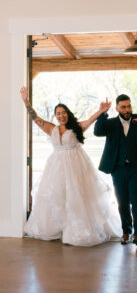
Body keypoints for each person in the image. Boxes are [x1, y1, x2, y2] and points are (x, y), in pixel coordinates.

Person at [20, 86, 121, 246]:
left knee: (77, 196)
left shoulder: (77, 127)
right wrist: (27, 102)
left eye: (63, 112)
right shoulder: (51, 128)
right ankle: (58, 228)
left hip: (76, 166)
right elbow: (35, 118)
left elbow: (90, 120)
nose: (61, 115)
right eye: (58, 113)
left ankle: (76, 229)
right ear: (56, 116)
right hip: (56, 167)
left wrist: (101, 111)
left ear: (68, 114)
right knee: (58, 196)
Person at [94, 94, 137, 246]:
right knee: (122, 201)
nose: (127, 109)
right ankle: (126, 232)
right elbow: (97, 132)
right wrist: (102, 113)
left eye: (129, 106)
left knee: (136, 199)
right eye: (124, 107)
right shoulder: (111, 123)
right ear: (117, 108)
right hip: (118, 169)